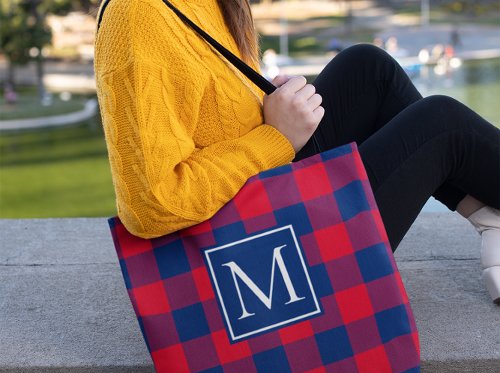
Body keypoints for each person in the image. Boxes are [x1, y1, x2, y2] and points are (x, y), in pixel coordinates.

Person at [93, 0, 500, 303]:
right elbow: (150, 203)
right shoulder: (138, 16)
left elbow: (211, 122)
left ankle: (491, 219)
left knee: (367, 68)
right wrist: (275, 136)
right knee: (441, 122)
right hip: (267, 271)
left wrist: (269, 104)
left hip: (269, 220)